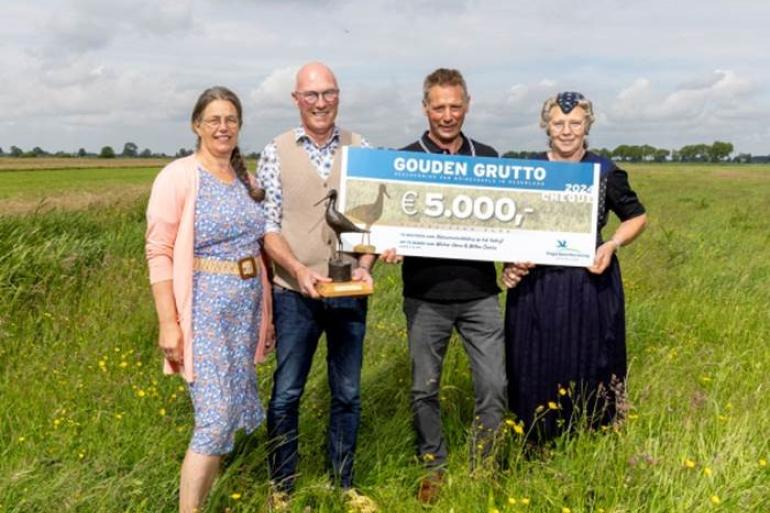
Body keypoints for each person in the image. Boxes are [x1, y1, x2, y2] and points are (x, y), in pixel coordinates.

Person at [145, 86, 273, 513]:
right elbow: (159, 251)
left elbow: (259, 251)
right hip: (203, 311)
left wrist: (265, 319)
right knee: (215, 417)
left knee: (231, 411)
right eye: (214, 119)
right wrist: (168, 322)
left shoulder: (247, 180)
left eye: (231, 119)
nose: (223, 127)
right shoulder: (180, 176)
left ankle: (211, 497)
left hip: (245, 310)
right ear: (196, 125)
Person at [256, 62, 377, 512]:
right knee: (287, 393)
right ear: (296, 99)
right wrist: (298, 271)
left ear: (339, 96)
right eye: (311, 95)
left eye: (328, 94)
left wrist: (365, 265)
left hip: (347, 295)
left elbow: (371, 219)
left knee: (347, 393)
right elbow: (269, 229)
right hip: (294, 295)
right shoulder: (276, 150)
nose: (321, 103)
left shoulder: (361, 148)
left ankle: (343, 484)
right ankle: (282, 488)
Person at [384, 68, 507, 504]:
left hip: (481, 296)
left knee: (494, 387)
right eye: (439, 107)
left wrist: (515, 261)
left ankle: (484, 467)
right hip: (425, 297)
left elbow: (510, 223)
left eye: (455, 106)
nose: (448, 115)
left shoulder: (490, 159)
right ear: (425, 108)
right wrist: (386, 244)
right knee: (423, 389)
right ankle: (433, 466)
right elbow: (383, 223)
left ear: (467, 104)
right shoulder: (403, 160)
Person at [503, 91, 647, 443]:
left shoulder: (604, 170)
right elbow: (509, 226)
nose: (566, 130)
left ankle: (589, 441)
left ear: (587, 125)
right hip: (537, 286)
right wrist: (510, 263)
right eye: (558, 123)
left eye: (575, 123)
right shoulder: (528, 170)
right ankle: (533, 442)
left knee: (590, 362)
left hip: (589, 284)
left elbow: (636, 216)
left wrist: (612, 244)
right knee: (533, 362)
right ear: (546, 126)